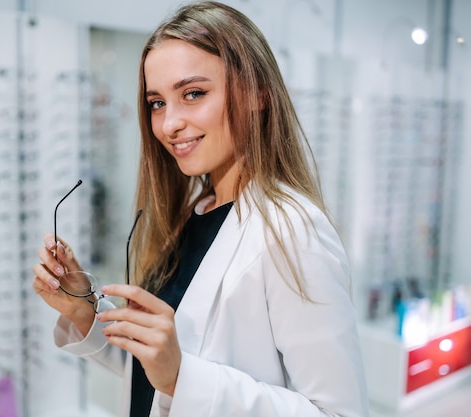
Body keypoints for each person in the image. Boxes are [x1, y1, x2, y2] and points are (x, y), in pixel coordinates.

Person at [32, 1, 369, 416]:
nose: (169, 123)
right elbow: (157, 378)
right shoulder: (196, 212)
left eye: (193, 94)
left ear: (257, 94)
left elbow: (337, 412)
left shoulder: (293, 231)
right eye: (157, 102)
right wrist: (86, 312)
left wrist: (182, 376)